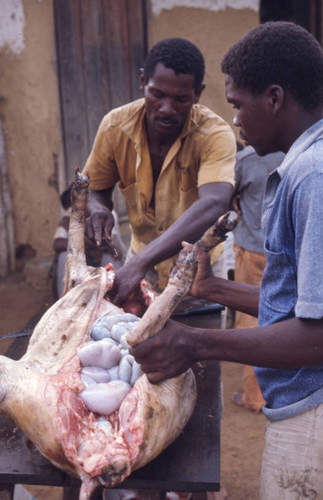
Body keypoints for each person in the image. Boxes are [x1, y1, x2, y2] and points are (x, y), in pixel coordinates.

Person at [130, 21, 323, 499]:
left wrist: (196, 343)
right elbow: (303, 307)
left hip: (312, 416)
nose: (235, 120)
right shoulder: (305, 166)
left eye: (237, 104)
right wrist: (213, 289)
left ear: (274, 99)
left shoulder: (312, 177)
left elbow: (317, 338)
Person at [81, 37, 236, 310]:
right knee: (132, 346)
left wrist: (140, 262)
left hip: (198, 271)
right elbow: (95, 187)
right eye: (157, 94)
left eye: (181, 99)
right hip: (140, 266)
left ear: (198, 93)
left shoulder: (214, 134)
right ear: (143, 81)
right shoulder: (115, 127)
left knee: (202, 346)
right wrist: (97, 207)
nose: (167, 108)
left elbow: (215, 202)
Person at [231, 145, 285, 413]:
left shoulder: (246, 160)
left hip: (252, 249)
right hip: (286, 251)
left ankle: (254, 396)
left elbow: (226, 194)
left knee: (251, 321)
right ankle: (281, 390)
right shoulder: (298, 149)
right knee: (285, 316)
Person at [52, 185, 125, 299]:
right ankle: (65, 301)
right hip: (82, 263)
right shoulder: (69, 218)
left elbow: (114, 248)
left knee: (111, 257)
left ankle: (118, 298)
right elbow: (57, 243)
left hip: (102, 259)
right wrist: (83, 244)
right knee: (64, 257)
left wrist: (100, 246)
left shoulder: (108, 215)